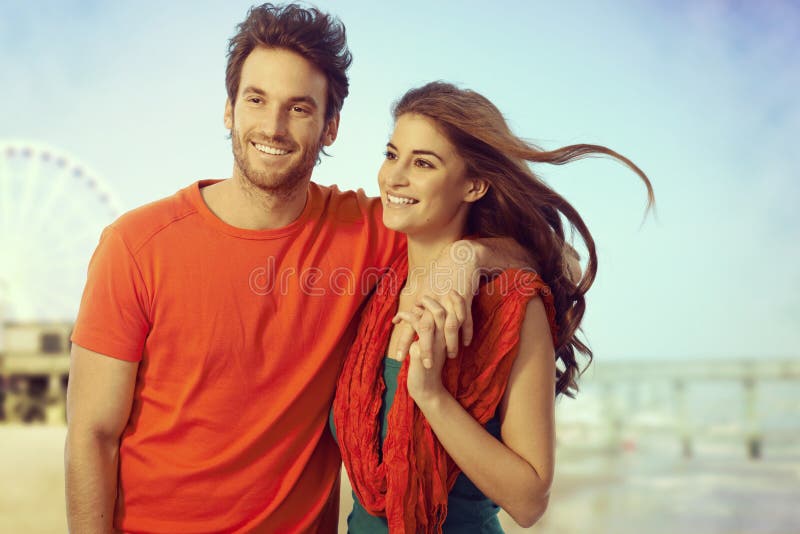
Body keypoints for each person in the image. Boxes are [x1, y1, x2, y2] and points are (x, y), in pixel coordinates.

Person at [64, 5, 531, 533]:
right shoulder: (135, 246)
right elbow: (91, 437)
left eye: (300, 108)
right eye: (256, 99)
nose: (273, 126)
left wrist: (469, 256)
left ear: (331, 126)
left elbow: (545, 255)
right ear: (229, 110)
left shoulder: (372, 232)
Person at [331, 81, 655, 533]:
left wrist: (432, 396)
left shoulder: (514, 306)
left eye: (423, 163)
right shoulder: (374, 288)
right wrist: (472, 254)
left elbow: (529, 501)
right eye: (391, 154)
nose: (395, 176)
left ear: (474, 185)